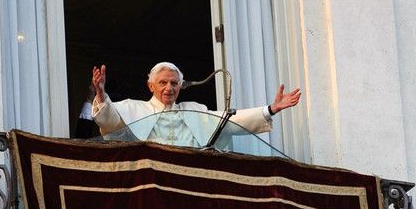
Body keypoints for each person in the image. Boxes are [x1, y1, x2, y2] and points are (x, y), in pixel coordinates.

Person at [90, 62, 301, 146]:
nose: (169, 88)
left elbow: (228, 121)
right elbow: (111, 123)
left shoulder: (193, 110)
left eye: (174, 83)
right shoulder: (134, 108)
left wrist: (271, 109)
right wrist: (101, 93)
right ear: (150, 86)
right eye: (162, 83)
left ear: (181, 86)